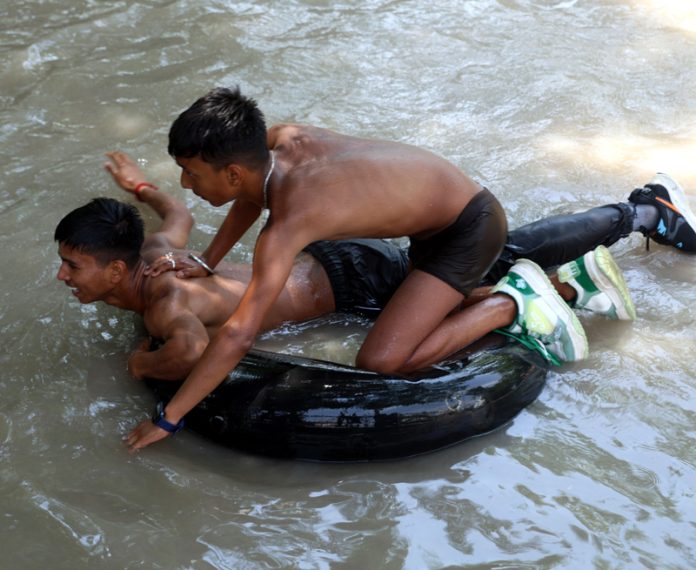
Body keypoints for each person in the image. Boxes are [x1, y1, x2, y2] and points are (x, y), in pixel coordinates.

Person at [113, 87, 696, 450]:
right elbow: (249, 195)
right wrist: (207, 262)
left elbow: (239, 331)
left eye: (192, 173)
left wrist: (171, 419)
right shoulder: (278, 142)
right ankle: (637, 215)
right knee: (512, 248)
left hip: (464, 230)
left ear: (232, 169)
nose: (186, 185)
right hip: (445, 220)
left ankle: (517, 300)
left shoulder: (291, 222)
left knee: (383, 358)